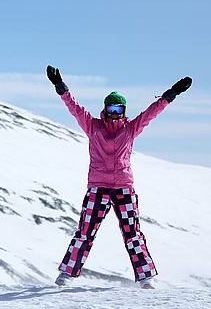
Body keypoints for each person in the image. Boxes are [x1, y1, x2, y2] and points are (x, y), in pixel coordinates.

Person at [47, 65, 192, 289]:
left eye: (118, 109)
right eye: (111, 108)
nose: (114, 113)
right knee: (85, 231)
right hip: (98, 187)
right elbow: (74, 108)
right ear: (105, 109)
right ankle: (66, 274)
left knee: (132, 233)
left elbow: (151, 113)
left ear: (123, 110)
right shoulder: (93, 126)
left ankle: (145, 277)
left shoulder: (130, 129)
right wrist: (60, 86)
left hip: (124, 186)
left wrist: (172, 93)